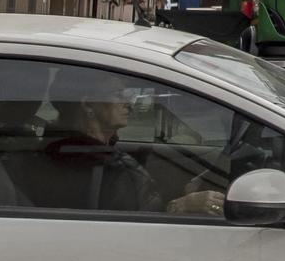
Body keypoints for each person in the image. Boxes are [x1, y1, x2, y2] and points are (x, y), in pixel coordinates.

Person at [27, 76, 224, 216]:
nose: (128, 103)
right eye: (117, 94)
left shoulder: (72, 152)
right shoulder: (100, 164)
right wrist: (182, 206)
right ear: (88, 105)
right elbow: (144, 228)